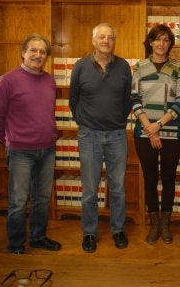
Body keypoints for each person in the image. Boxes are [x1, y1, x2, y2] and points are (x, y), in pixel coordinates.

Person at [0, 33, 61, 254]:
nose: (38, 55)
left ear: (46, 56)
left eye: (42, 52)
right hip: (20, 151)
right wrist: (9, 139)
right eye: (33, 50)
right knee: (19, 201)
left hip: (47, 149)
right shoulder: (8, 80)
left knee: (42, 199)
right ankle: (16, 243)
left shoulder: (49, 80)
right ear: (23, 52)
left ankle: (38, 237)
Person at [69, 22, 132, 253]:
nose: (106, 41)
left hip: (117, 135)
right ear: (94, 41)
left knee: (117, 187)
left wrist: (114, 119)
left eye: (110, 37)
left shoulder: (124, 66)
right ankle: (89, 232)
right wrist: (86, 122)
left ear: (114, 42)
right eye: (102, 37)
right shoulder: (80, 66)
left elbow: (127, 100)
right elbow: (73, 101)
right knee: (89, 190)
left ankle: (117, 229)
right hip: (89, 135)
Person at [131, 24, 180, 244]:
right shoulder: (139, 67)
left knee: (169, 178)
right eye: (157, 39)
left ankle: (165, 223)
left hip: (172, 132)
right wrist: (150, 128)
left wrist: (159, 125)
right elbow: (134, 99)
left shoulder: (177, 67)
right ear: (151, 42)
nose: (161, 44)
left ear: (170, 43)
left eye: (165, 40)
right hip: (144, 133)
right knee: (151, 178)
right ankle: (154, 223)